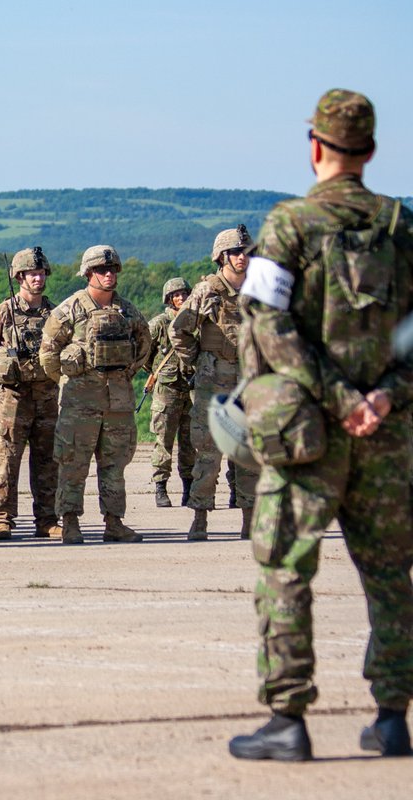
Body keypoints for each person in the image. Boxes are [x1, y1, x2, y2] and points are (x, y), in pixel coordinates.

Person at [228, 89, 413, 761]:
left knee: (286, 569)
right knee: (393, 573)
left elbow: (266, 322)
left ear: (316, 146)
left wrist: (339, 398)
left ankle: (288, 719)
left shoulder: (290, 226)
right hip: (387, 437)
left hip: (307, 430)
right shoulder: (401, 225)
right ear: (368, 152)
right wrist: (384, 398)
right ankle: (393, 716)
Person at [39, 245, 150, 544]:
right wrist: (68, 379)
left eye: (113, 269)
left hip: (118, 403)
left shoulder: (127, 311)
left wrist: (127, 372)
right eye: (102, 269)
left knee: (115, 466)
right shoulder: (70, 309)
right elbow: (48, 353)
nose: (109, 274)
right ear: (88, 273)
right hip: (80, 403)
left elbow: (144, 342)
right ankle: (71, 522)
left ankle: (114, 523)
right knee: (73, 464)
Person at [171, 226, 259, 539]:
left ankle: (250, 519)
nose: (241, 258)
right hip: (213, 378)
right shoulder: (207, 290)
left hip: (250, 379)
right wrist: (198, 360)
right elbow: (179, 330)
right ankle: (200, 517)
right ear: (221, 257)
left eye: (246, 251)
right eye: (235, 252)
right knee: (207, 451)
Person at [0, 247, 62, 540]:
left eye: (41, 273)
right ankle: (1, 519)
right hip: (14, 399)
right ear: (19, 277)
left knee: (48, 460)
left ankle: (47, 519)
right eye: (32, 274)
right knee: (6, 460)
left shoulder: (55, 314)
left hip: (47, 398)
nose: (38, 278)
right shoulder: (3, 312)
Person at [144, 277, 195, 508]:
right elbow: (143, 350)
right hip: (166, 390)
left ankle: (189, 488)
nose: (181, 298)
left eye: (184, 294)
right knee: (163, 441)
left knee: (190, 442)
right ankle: (160, 487)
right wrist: (156, 371)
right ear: (169, 299)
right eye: (176, 295)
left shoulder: (196, 323)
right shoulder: (159, 324)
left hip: (191, 389)